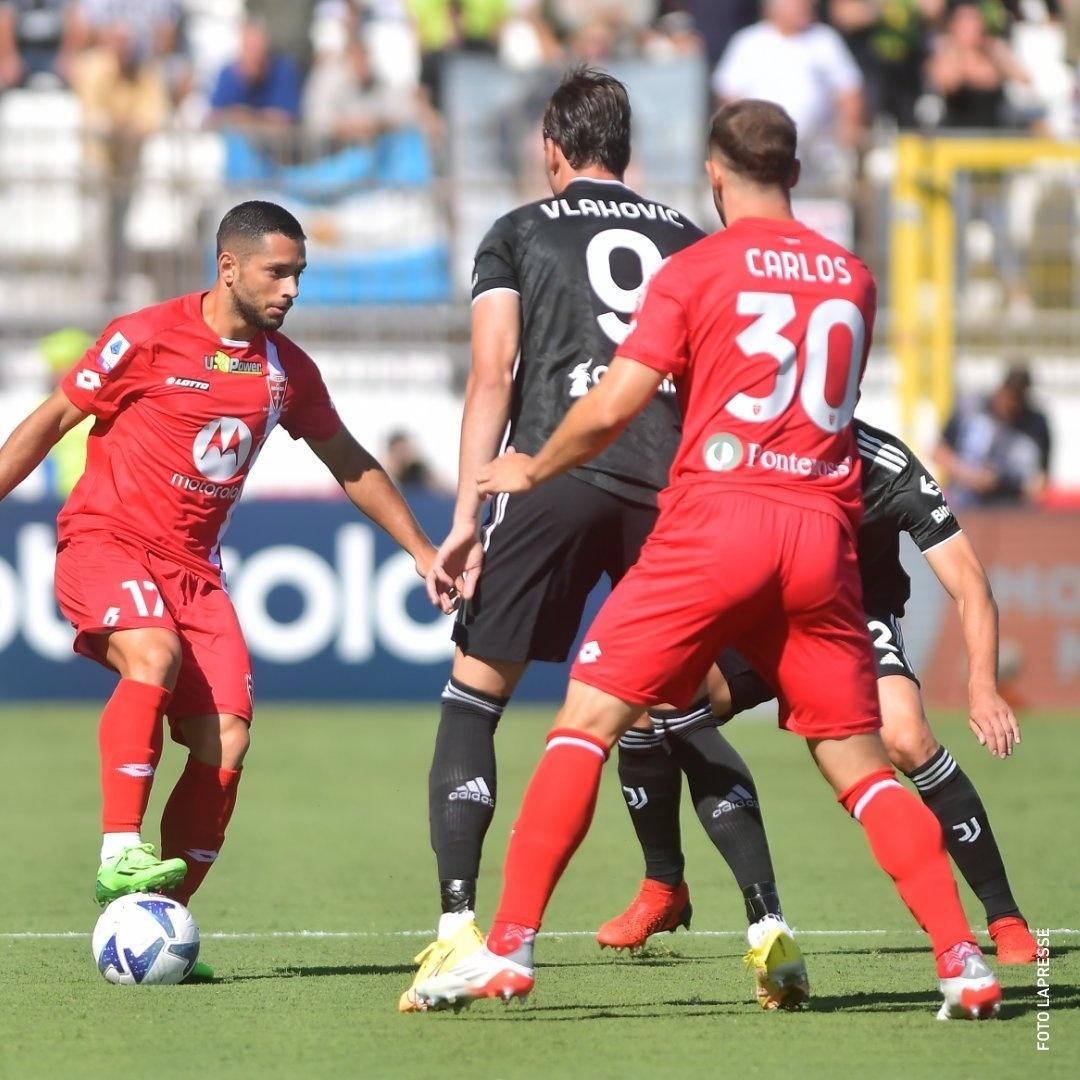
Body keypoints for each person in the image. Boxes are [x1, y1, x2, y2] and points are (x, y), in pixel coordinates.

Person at [417, 99, 1003, 1021]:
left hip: (717, 520)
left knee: (586, 721)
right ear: (798, 174)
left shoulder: (700, 269)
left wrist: (536, 463)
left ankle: (508, 949)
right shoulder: (853, 277)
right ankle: (963, 959)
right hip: (819, 535)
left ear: (716, 174)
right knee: (859, 765)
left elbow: (614, 406)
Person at [402, 69, 800, 1013]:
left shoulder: (517, 231)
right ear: (631, 150)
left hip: (557, 470)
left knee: (475, 699)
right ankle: (768, 927)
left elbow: (492, 373)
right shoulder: (692, 239)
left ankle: (460, 930)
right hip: (673, 489)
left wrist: (465, 516)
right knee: (677, 708)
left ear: (551, 149)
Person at [0, 199, 436, 981]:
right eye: (278, 271)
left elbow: (350, 461)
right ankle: (119, 849)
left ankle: (159, 919)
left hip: (195, 572)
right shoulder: (144, 335)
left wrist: (421, 549)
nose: (292, 289)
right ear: (227, 266)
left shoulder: (285, 370)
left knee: (226, 739)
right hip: (106, 539)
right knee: (152, 653)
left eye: (299, 273)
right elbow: (52, 418)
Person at [603, 418, 1039, 964]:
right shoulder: (751, 443)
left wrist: (982, 688)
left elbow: (970, 583)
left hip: (853, 622)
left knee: (905, 738)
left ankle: (1005, 919)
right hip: (762, 617)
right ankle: (664, 887)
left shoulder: (886, 463)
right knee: (651, 701)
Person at [934, 364, 1051, 507]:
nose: (1010, 408)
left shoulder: (1035, 424)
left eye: (1017, 403)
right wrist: (972, 476)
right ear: (1001, 390)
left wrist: (1028, 488)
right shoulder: (970, 409)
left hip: (1012, 509)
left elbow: (1042, 478)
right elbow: (938, 452)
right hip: (965, 503)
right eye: (1008, 400)